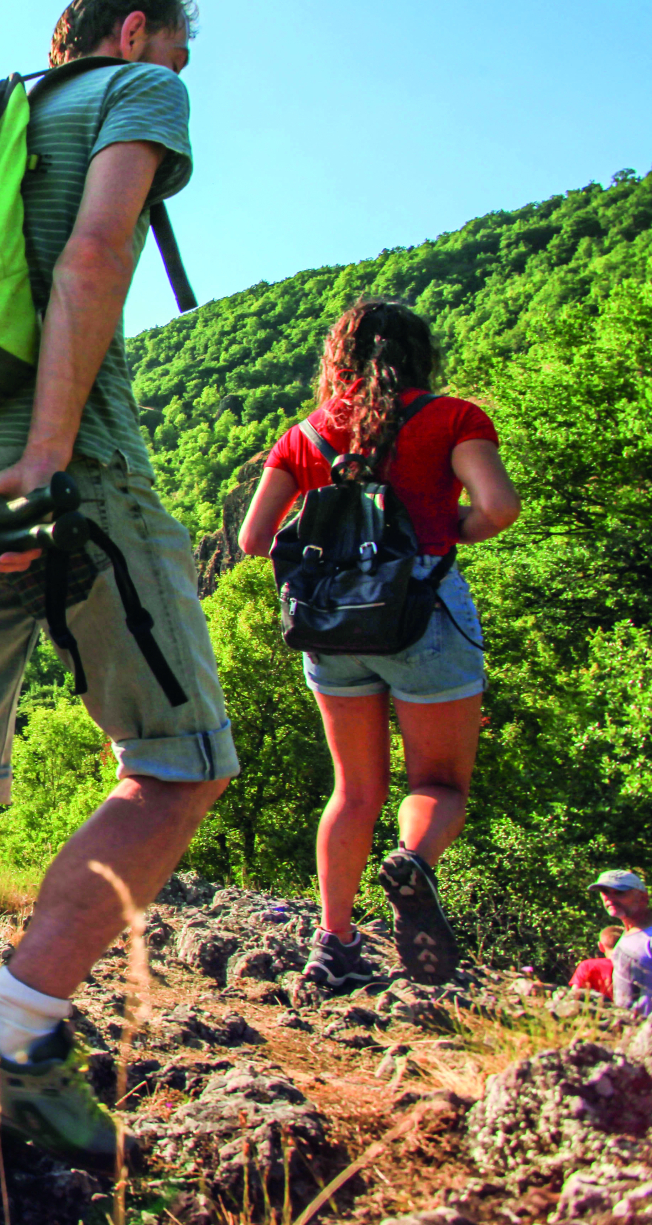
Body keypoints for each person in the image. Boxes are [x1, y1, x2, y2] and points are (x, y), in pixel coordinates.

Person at [0, 0, 237, 1170]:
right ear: (133, 34)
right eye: (171, 53)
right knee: (180, 762)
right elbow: (93, 254)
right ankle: (10, 1042)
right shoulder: (135, 92)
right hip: (65, 469)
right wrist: (43, 449)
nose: (172, 79)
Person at [238, 300, 520, 991]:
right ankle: (413, 862)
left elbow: (251, 539)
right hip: (422, 610)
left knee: (354, 789)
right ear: (420, 354)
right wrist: (446, 523)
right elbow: (500, 506)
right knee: (439, 783)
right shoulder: (454, 417)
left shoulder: (306, 433)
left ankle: (332, 944)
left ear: (338, 357)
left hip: (332, 625)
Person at [593, 869, 652, 1017]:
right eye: (605, 892)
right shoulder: (627, 934)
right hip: (634, 1031)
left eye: (620, 893)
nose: (610, 899)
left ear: (643, 898)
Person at [567, 925, 624, 997]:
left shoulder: (587, 966)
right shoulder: (633, 965)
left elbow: (574, 994)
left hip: (597, 1006)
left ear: (600, 946)